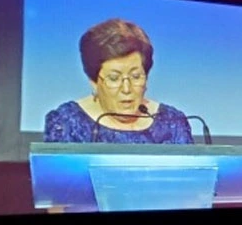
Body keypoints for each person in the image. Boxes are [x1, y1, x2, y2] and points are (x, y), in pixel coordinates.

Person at [43, 19, 194, 143]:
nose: (126, 89)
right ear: (94, 81)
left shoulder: (172, 122)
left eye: (135, 76)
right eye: (114, 78)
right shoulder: (67, 123)